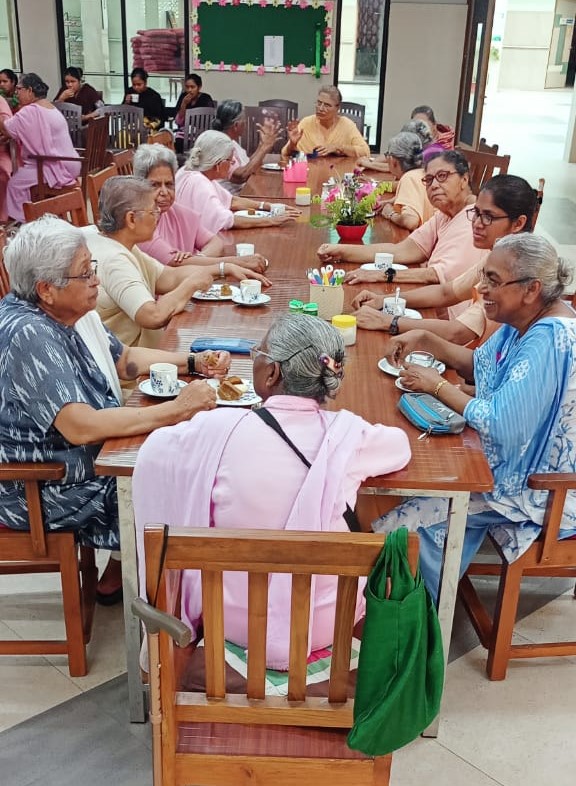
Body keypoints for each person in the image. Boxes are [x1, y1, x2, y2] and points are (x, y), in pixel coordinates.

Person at [132, 313, 411, 668]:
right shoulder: (350, 437)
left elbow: (154, 453)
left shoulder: (217, 430)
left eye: (258, 353)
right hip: (324, 625)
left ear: (272, 373)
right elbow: (401, 446)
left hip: (228, 621)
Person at [0, 215, 229, 603]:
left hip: (85, 463)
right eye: (84, 273)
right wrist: (177, 409)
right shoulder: (29, 334)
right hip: (45, 487)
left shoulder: (68, 312)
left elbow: (123, 359)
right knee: (177, 485)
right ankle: (171, 608)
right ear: (46, 289)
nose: (96, 280)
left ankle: (171, 592)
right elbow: (81, 427)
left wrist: (193, 362)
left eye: (92, 267)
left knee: (186, 462)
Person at [375, 233, 576, 601]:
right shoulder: (527, 320)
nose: (482, 288)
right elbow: (481, 367)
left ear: (531, 289)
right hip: (514, 466)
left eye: (493, 281)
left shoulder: (549, 339)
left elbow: (500, 423)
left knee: (401, 529)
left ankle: (420, 617)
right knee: (416, 478)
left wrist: (437, 386)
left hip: (541, 487)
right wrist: (425, 339)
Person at [86, 176, 270, 355]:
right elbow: (153, 316)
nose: (158, 216)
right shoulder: (115, 260)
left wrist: (222, 269)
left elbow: (168, 277)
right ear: (131, 219)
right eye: (153, 211)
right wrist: (192, 284)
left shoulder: (114, 242)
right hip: (130, 367)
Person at [351, 175, 538, 343]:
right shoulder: (499, 254)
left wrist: (387, 321)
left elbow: (458, 333)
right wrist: (383, 300)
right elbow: (446, 293)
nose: (476, 223)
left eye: (488, 217)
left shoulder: (515, 269)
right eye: (476, 213)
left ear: (518, 223)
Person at [319, 151, 483, 314]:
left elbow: (434, 275)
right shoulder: (446, 214)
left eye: (442, 176)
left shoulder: (474, 219)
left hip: (450, 316)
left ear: (464, 179)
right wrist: (341, 251)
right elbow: (403, 250)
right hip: (431, 302)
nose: (433, 185)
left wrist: (380, 275)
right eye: (429, 180)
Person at [133, 143, 268, 272]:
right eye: (154, 185)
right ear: (138, 186)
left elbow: (215, 242)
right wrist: (238, 262)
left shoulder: (176, 211)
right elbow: (175, 262)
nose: (164, 192)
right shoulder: (138, 223)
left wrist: (199, 258)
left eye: (169, 184)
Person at [175, 130, 300, 233]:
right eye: (230, 159)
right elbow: (227, 221)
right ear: (218, 164)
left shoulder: (189, 171)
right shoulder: (200, 183)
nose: (234, 162)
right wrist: (272, 220)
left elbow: (231, 201)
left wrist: (269, 206)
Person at [0, 72, 80, 223]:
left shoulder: (30, 111)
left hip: (52, 165)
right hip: (71, 162)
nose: (17, 93)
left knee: (14, 184)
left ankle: (25, 221)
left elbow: (7, 128)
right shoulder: (49, 106)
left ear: (29, 90)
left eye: (19, 89)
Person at [281, 85, 370, 159]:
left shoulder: (347, 125)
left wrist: (338, 147)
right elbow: (285, 153)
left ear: (338, 108)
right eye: (319, 103)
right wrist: (292, 144)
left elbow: (365, 152)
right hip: (311, 171)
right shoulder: (306, 123)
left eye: (327, 105)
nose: (321, 108)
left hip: (337, 172)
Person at [212, 99, 283, 188]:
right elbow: (241, 176)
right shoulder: (221, 145)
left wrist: (262, 145)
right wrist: (265, 147)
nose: (245, 125)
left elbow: (248, 164)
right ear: (236, 125)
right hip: (232, 194)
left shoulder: (230, 141)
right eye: (244, 122)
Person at [377, 131, 435, 231]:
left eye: (387, 155)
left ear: (393, 161)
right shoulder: (423, 172)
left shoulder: (409, 178)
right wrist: (390, 201)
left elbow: (410, 221)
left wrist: (390, 213)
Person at [356, 119, 444, 173]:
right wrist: (370, 162)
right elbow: (391, 156)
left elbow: (400, 169)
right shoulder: (426, 147)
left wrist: (369, 164)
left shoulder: (430, 154)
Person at [173, 73, 213, 154]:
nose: (189, 90)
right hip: (184, 134)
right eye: (187, 87)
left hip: (201, 134)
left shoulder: (206, 98)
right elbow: (178, 122)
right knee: (178, 143)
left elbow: (210, 120)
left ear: (199, 87)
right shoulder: (183, 97)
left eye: (192, 87)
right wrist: (184, 104)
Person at [0, 93, 11, 222]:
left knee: (3, 174)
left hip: (1, 152)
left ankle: (3, 220)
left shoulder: (0, 102)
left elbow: (8, 131)